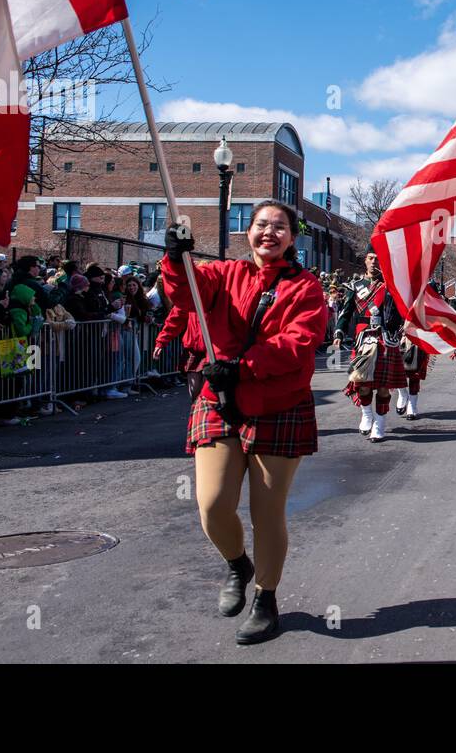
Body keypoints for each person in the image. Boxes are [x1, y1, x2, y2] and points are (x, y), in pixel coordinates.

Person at [161, 199, 328, 645]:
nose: (269, 232)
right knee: (212, 505)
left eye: (279, 227)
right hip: (219, 400)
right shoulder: (221, 274)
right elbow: (183, 294)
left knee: (266, 513)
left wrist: (243, 365)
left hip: (278, 403)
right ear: (248, 231)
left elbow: (299, 341)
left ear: (293, 238)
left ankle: (265, 599)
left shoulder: (306, 287)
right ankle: (238, 564)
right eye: (261, 225)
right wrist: (175, 258)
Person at [332, 249, 407, 441]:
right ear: (365, 261)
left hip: (385, 337)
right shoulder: (355, 286)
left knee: (383, 385)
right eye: (371, 258)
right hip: (362, 338)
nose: (374, 262)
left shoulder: (390, 285)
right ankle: (367, 415)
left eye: (378, 259)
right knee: (362, 384)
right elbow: (346, 313)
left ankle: (380, 424)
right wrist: (339, 331)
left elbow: (401, 311)